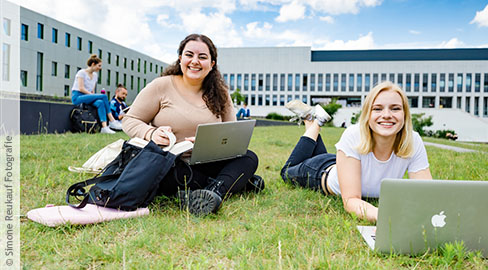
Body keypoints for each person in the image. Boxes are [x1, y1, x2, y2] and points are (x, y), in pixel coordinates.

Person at [122, 34, 263, 216]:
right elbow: (130, 119)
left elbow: (231, 136)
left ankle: (212, 193)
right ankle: (234, 183)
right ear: (180, 58)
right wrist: (151, 133)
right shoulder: (161, 86)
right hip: (172, 163)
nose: (195, 61)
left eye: (202, 57)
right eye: (189, 55)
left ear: (212, 64)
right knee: (168, 177)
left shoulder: (221, 93)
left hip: (207, 161)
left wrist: (210, 144)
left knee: (249, 158)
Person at [281, 81, 432, 222]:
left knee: (319, 154)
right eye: (377, 108)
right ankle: (315, 121)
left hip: (346, 164)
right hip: (320, 171)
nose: (386, 115)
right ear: (367, 114)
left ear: (405, 114)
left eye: (395, 108)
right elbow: (351, 200)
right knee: (287, 171)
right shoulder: (354, 134)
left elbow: (428, 194)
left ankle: (310, 119)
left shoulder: (413, 140)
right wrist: (387, 217)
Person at [71, 54, 122, 134]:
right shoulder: (81, 72)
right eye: (99, 65)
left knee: (100, 102)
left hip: (88, 97)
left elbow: (92, 91)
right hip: (78, 96)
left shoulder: (95, 75)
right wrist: (92, 96)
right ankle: (112, 120)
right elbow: (81, 88)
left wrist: (93, 96)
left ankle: (104, 127)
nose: (100, 68)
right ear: (93, 64)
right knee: (104, 96)